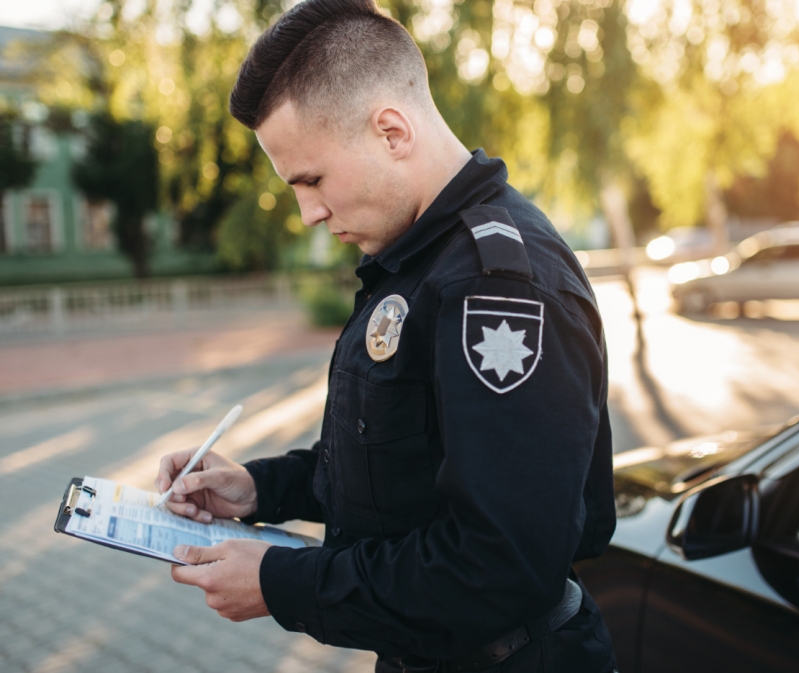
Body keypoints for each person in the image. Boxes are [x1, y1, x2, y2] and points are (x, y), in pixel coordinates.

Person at [155, 1, 617, 670]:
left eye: (311, 180)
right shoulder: (418, 261)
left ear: (392, 131)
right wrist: (259, 489)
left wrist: (283, 582)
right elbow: (398, 464)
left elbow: (498, 565)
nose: (309, 212)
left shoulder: (499, 287)